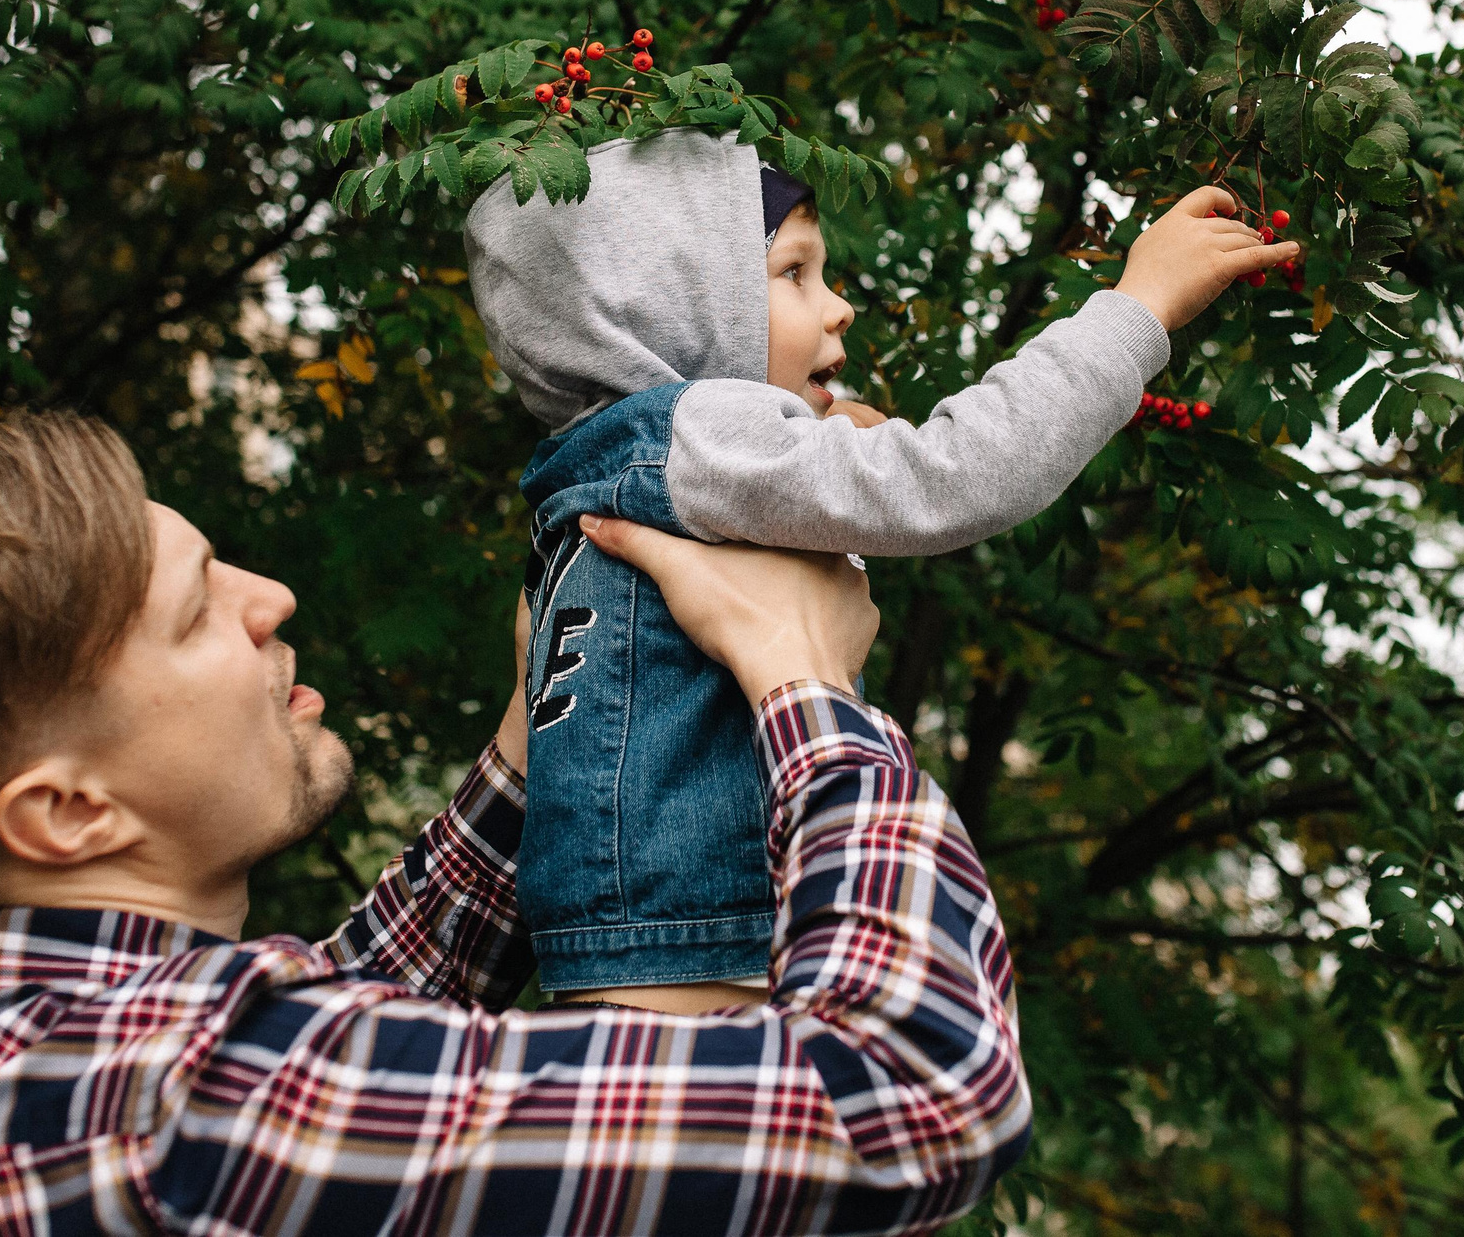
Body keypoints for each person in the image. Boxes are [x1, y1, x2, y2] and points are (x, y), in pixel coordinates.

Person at [0, 412, 1025, 1235]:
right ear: (66, 807)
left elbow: (331, 1029)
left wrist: (547, 716)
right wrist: (807, 679)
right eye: (195, 612)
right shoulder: (183, 1115)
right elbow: (907, 1091)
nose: (268, 595)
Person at [465, 130, 1298, 1011]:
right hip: (718, 961)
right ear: (670, 305)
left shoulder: (588, 468)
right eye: (794, 273)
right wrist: (1138, 306)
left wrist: (829, 434)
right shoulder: (696, 430)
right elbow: (951, 475)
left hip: (626, 959)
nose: (838, 307)